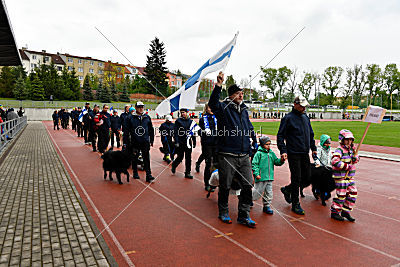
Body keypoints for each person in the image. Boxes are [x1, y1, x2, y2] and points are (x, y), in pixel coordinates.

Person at [208, 72, 258, 228]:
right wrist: (218, 85)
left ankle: (243, 215)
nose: (241, 95)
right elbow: (213, 104)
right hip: (227, 154)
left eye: (242, 93)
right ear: (231, 95)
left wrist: (253, 145)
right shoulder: (223, 108)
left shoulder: (244, 110)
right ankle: (223, 211)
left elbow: (249, 128)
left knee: (248, 185)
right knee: (225, 185)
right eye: (238, 93)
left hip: (244, 154)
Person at [277, 96, 317, 215]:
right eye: (302, 105)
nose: (304, 107)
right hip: (293, 153)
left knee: (307, 177)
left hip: (305, 152)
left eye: (305, 105)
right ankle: (295, 204)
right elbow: (280, 136)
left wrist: (313, 148)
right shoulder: (288, 118)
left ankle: (287, 189)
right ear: (295, 104)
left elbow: (310, 134)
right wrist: (283, 150)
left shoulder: (305, 117)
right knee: (296, 178)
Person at [330, 129, 359, 222]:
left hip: (349, 177)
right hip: (340, 176)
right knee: (341, 195)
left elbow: (356, 158)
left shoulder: (352, 149)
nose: (349, 141)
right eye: (347, 139)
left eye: (351, 139)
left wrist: (355, 159)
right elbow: (334, 161)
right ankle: (335, 211)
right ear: (342, 140)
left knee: (353, 192)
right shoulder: (339, 150)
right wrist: (346, 166)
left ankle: (345, 211)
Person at [252, 136, 285, 214]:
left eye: (269, 144)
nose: (268, 146)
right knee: (257, 192)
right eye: (267, 144)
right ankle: (248, 199)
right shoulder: (258, 154)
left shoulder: (271, 153)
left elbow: (276, 162)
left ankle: (266, 206)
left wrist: (281, 160)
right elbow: (254, 164)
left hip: (269, 177)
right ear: (262, 144)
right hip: (261, 177)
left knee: (269, 193)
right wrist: (256, 174)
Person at [126, 102, 155, 182]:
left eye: (142, 107)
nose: (141, 108)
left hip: (145, 142)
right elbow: (126, 131)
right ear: (135, 107)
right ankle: (135, 172)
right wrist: (126, 143)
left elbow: (151, 129)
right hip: (135, 142)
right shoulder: (130, 118)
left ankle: (148, 175)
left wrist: (151, 140)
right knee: (135, 157)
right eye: (139, 107)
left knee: (146, 158)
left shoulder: (147, 117)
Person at [171, 108, 196, 179]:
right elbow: (175, 132)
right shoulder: (178, 121)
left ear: (187, 113)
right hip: (180, 142)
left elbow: (192, 132)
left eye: (183, 112)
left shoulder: (191, 121)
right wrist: (176, 142)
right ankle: (174, 165)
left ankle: (187, 172)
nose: (182, 114)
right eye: (181, 113)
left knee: (188, 158)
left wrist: (194, 141)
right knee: (180, 157)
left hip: (188, 142)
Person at [198, 103, 218, 191]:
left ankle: (214, 182)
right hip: (207, 144)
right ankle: (207, 183)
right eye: (210, 107)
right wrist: (204, 133)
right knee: (208, 163)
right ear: (206, 109)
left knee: (216, 163)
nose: (212, 109)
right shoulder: (203, 119)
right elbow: (199, 132)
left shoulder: (217, 118)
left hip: (216, 143)